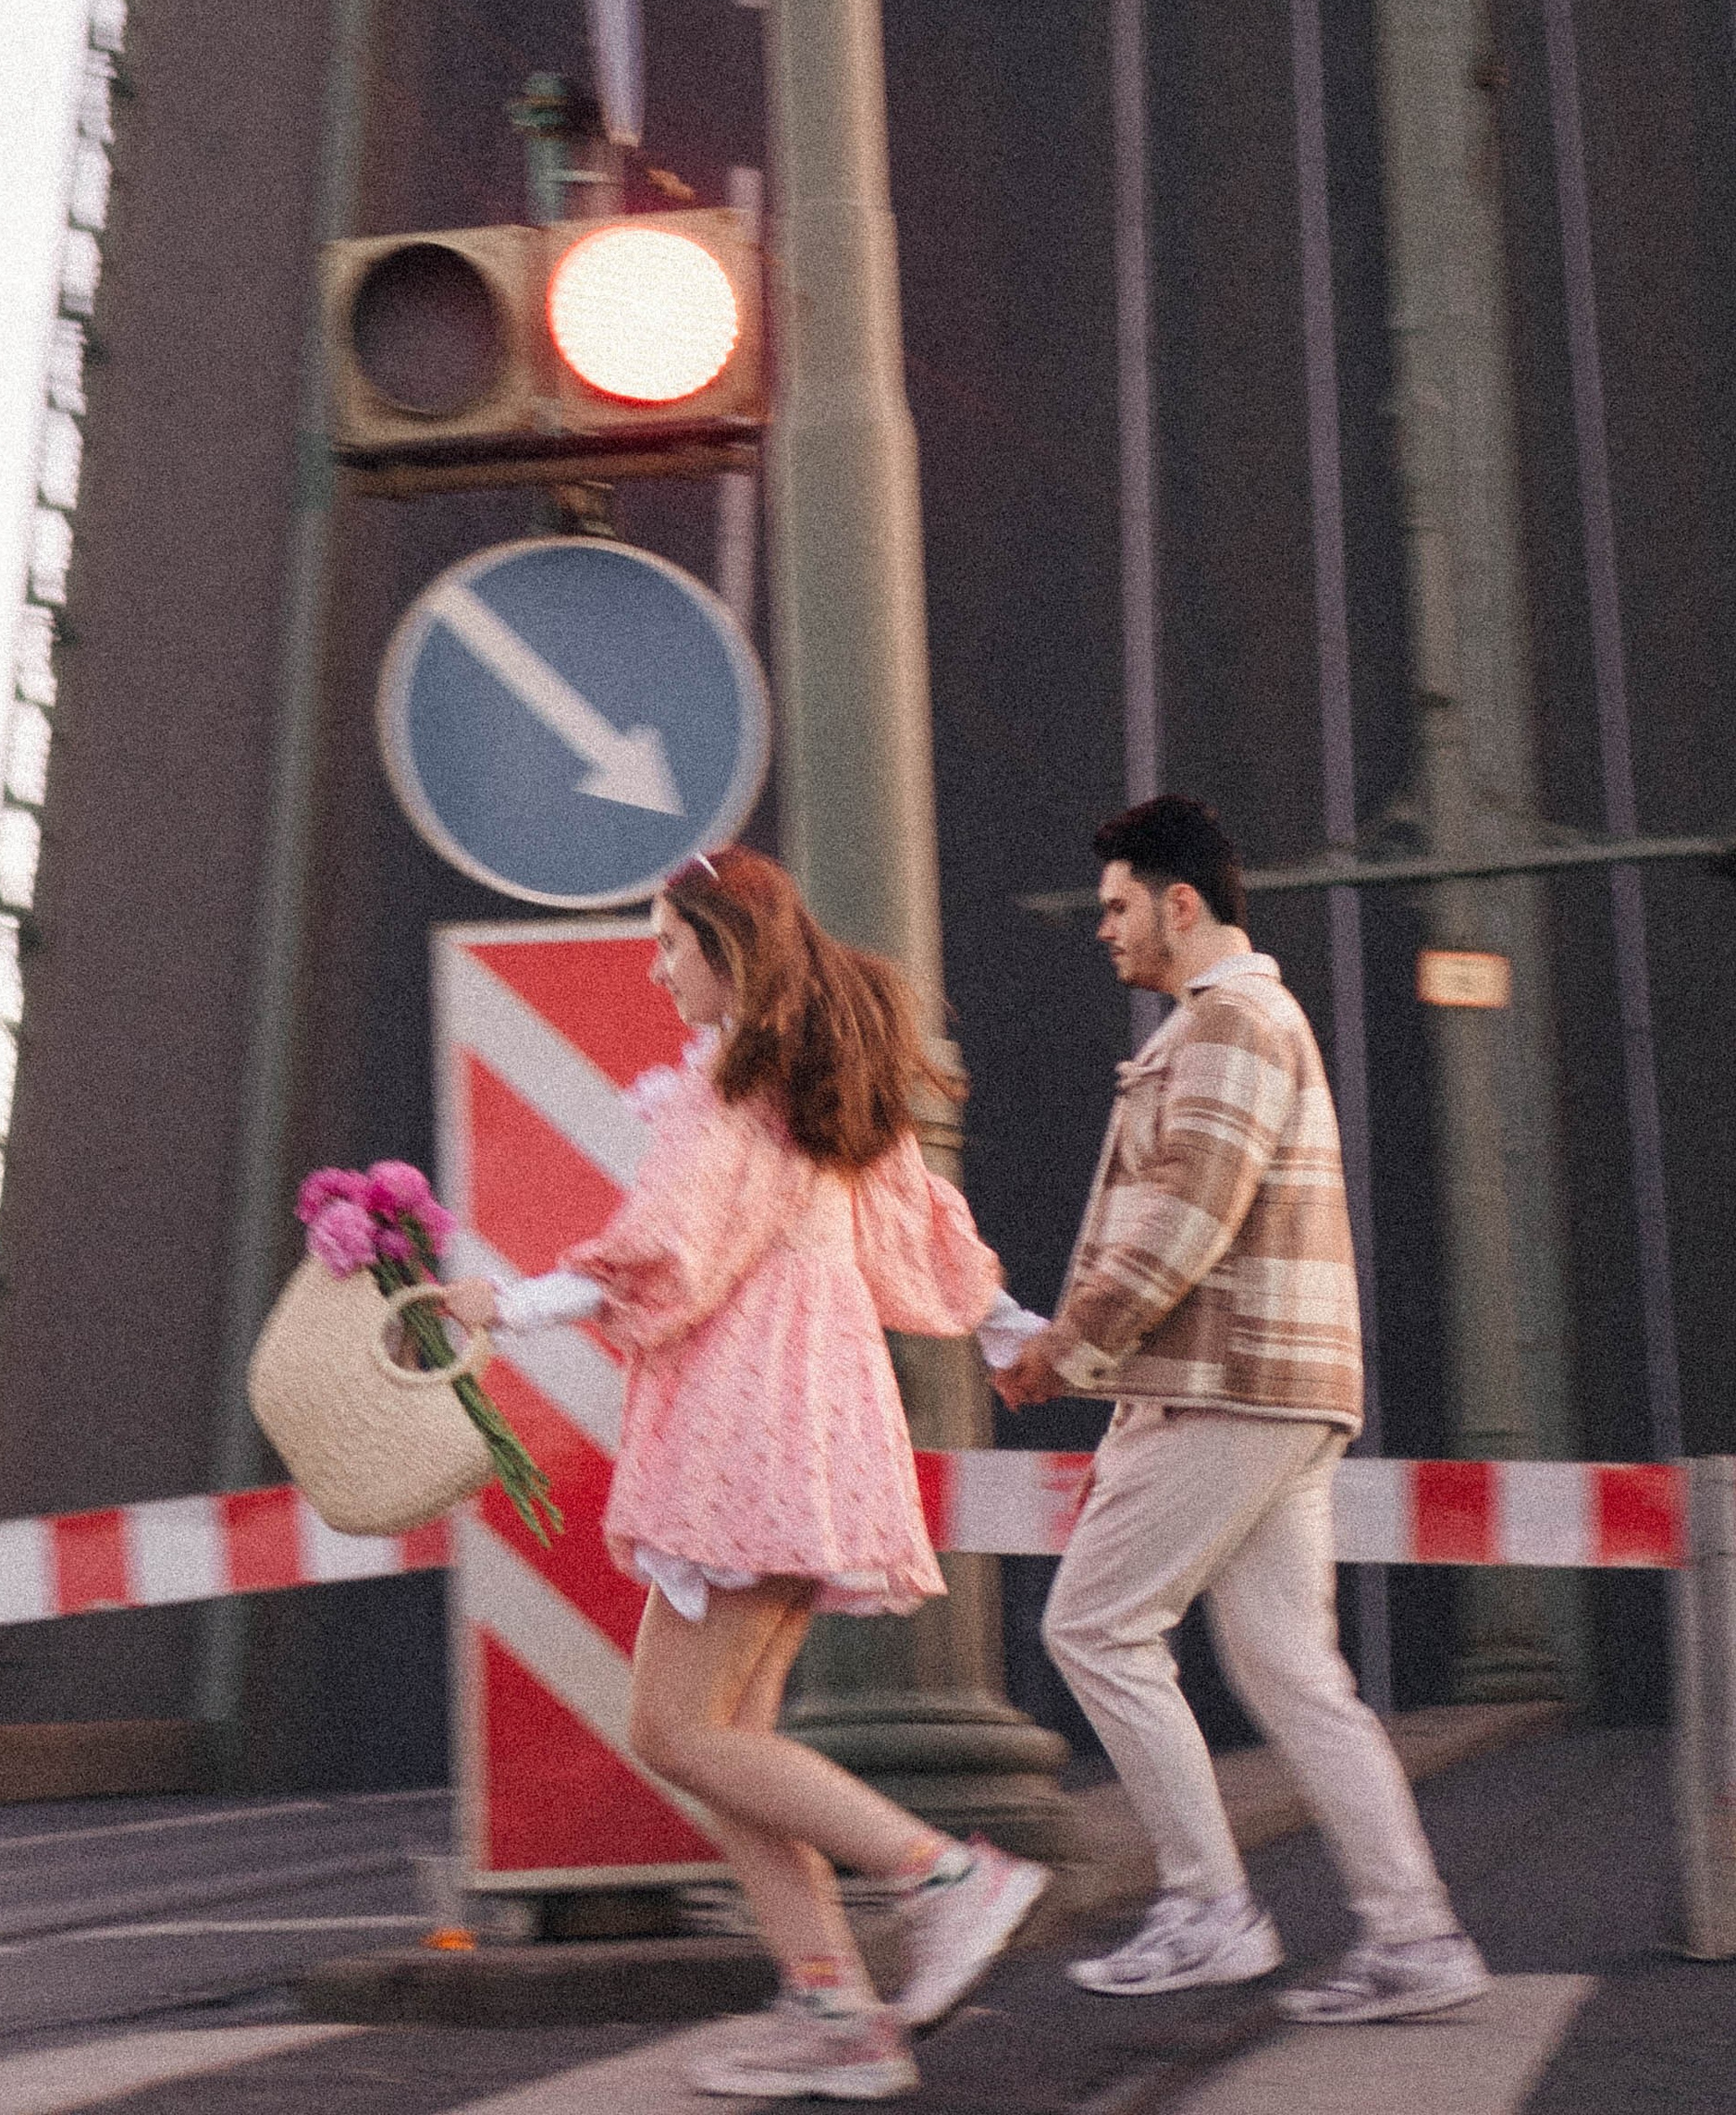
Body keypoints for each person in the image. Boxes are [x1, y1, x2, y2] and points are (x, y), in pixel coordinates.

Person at [441, 842, 1049, 2101]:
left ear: (728, 950)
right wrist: (1010, 1334)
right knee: (730, 1742)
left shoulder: (731, 1088)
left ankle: (947, 1876)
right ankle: (840, 2018)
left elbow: (669, 1248)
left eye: (672, 945)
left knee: (673, 1729)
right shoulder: (822, 1085)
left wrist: (508, 1305)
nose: (658, 971)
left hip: (743, 1428)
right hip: (816, 1423)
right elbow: (919, 1231)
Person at [991, 793, 1491, 2025]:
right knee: (1292, 1673)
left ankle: (1209, 1907)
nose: (1103, 929)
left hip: (1231, 1381)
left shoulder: (1225, 1024)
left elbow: (1187, 1218)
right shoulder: (1247, 1021)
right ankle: (1416, 1935)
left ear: (1180, 904)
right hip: (1284, 1383)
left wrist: (1066, 1349)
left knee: (1096, 1627)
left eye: (1118, 907)